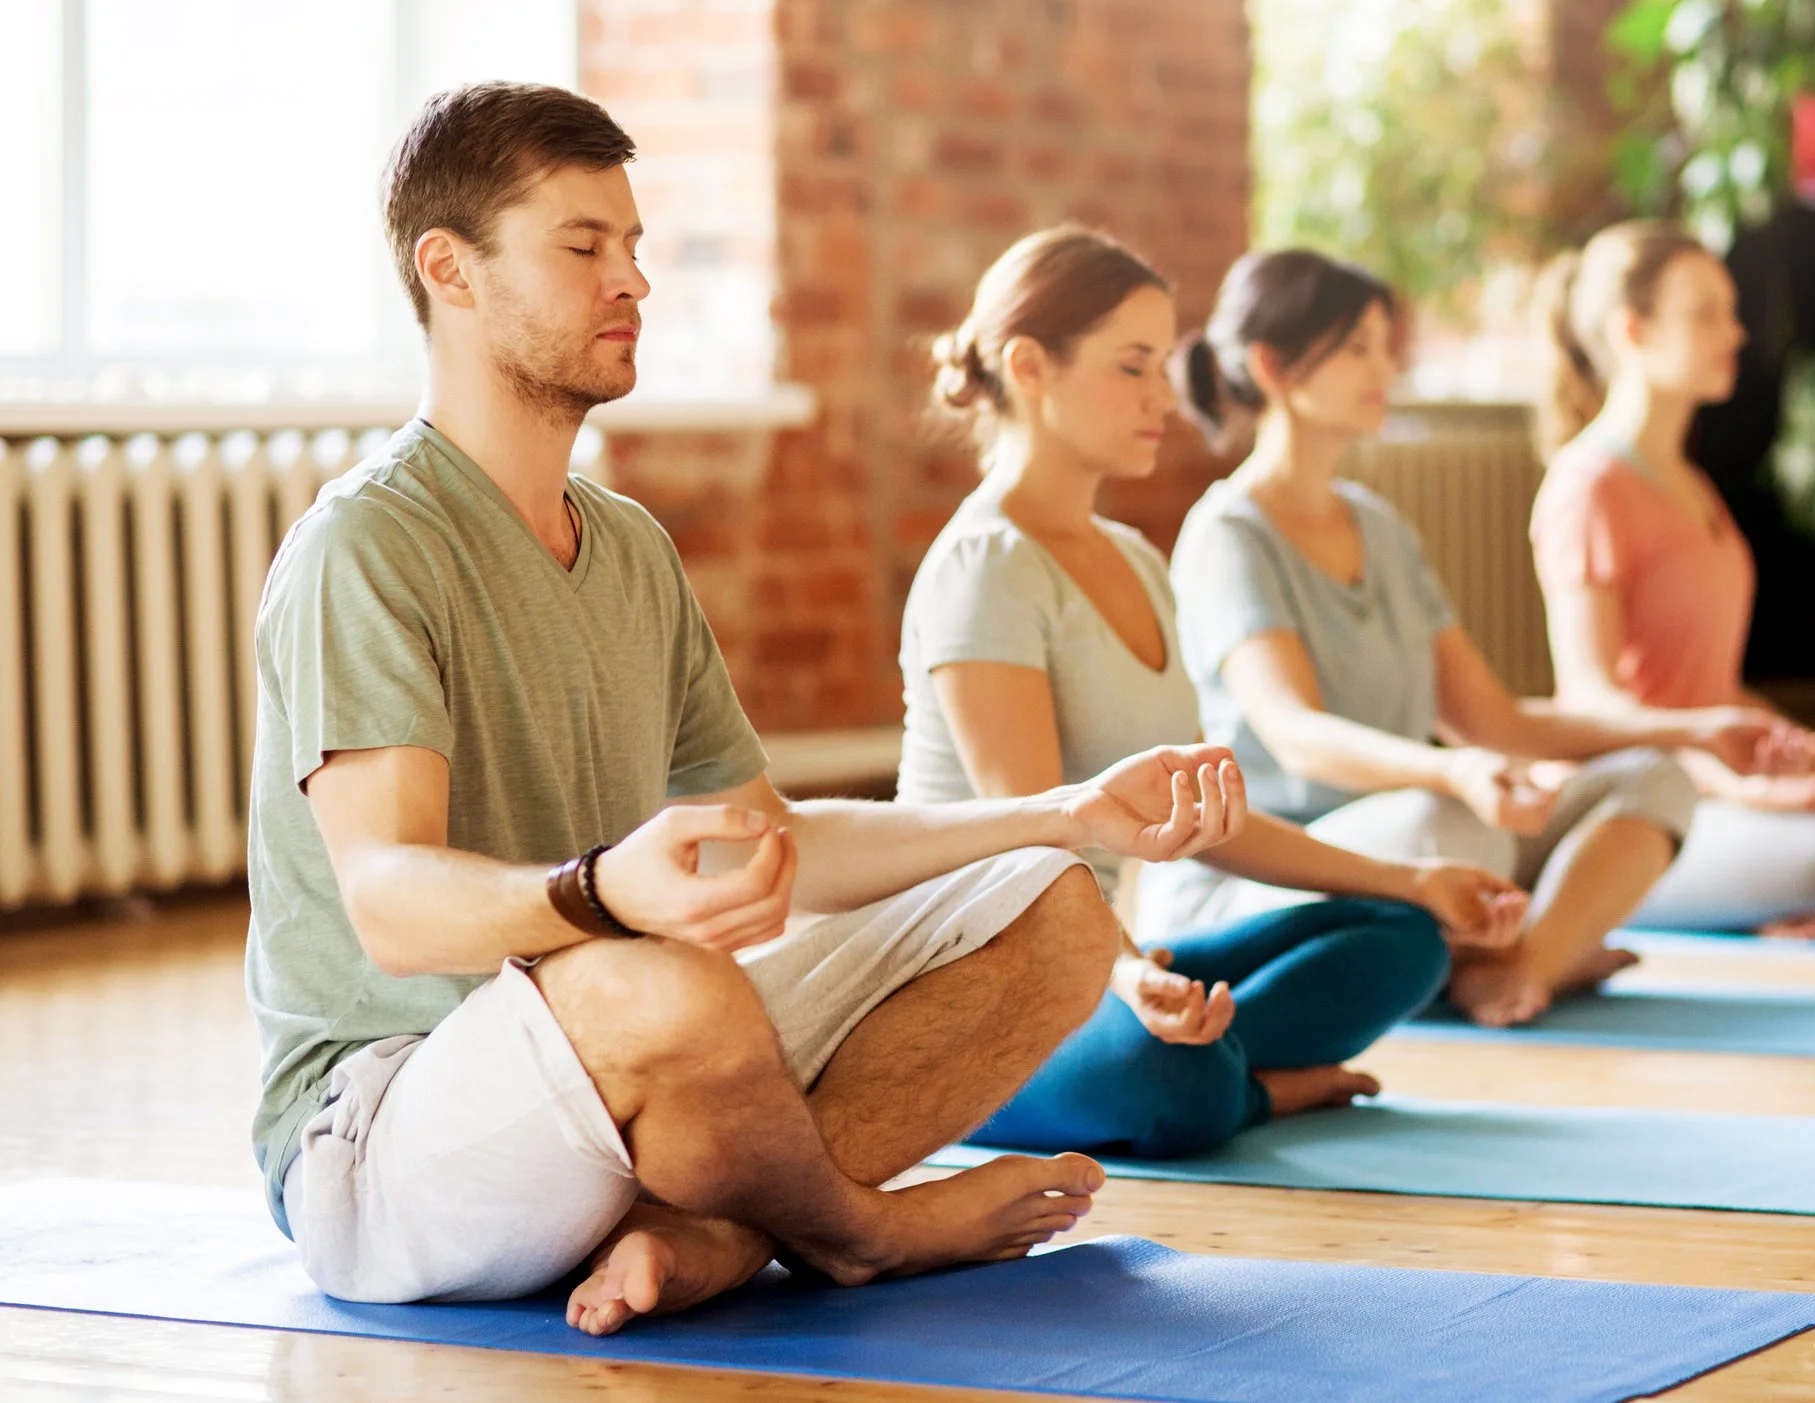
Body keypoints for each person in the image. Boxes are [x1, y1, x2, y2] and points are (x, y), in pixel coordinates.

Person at [247, 83, 1254, 1336]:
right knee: (670, 988)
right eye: (582, 247)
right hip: (387, 1137)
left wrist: (1063, 816)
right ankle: (858, 1231)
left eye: (634, 248)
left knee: (1051, 906)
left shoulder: (627, 548)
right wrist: (603, 892)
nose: (632, 282)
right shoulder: (369, 544)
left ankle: (712, 1231)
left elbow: (777, 843)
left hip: (621, 1053)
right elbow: (390, 903)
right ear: (448, 271)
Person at [900, 226, 1527, 1157]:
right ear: (1029, 368)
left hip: (1098, 966)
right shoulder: (986, 566)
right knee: (1163, 1076)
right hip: (965, 985)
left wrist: (1413, 879)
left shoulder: (1135, 560)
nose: (1163, 396)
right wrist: (1118, 970)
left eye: (1162, 364)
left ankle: (1213, 1064)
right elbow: (1033, 843)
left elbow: (1209, 811)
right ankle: (1247, 1089)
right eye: (1131, 367)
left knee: (1403, 938)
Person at [1157, 248, 1815, 1029]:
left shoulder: (1380, 527)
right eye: (1356, 349)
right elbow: (1298, 736)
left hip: (1422, 836)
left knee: (1653, 778)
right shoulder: (1228, 533)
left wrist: (1692, 730)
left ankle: (1521, 963)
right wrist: (1458, 773)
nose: (1386, 365)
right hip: (1286, 863)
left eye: (1385, 344)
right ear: (1272, 366)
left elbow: (1500, 722)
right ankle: (1516, 952)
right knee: (1444, 823)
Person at [1533, 221, 1815, 932]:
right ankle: (1720, 886)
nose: (1736, 333)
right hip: (1640, 804)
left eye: (1731, 309)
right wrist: (1739, 792)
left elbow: (1711, 690)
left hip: (1722, 789)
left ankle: (1763, 883)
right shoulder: (1587, 486)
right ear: (1634, 330)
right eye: (1706, 313)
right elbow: (1590, 700)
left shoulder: (1692, 485)